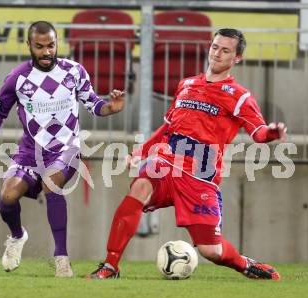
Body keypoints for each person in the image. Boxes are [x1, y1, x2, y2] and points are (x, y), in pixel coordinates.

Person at [88, 28, 286, 280]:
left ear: (237, 58)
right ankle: (110, 266)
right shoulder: (187, 84)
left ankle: (244, 264)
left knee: (211, 251)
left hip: (199, 176)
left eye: (225, 50)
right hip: (167, 163)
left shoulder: (239, 96)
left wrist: (271, 134)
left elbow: (258, 132)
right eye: (215, 47)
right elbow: (167, 127)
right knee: (140, 187)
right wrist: (141, 152)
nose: (217, 53)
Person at [0, 21, 125, 278]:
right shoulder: (17, 77)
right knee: (7, 196)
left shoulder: (74, 71)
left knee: (51, 183)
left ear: (57, 43)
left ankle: (61, 259)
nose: (47, 52)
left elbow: (92, 103)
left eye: (51, 45)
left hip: (66, 149)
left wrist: (109, 108)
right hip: (30, 151)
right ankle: (17, 236)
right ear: (29, 45)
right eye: (40, 47)